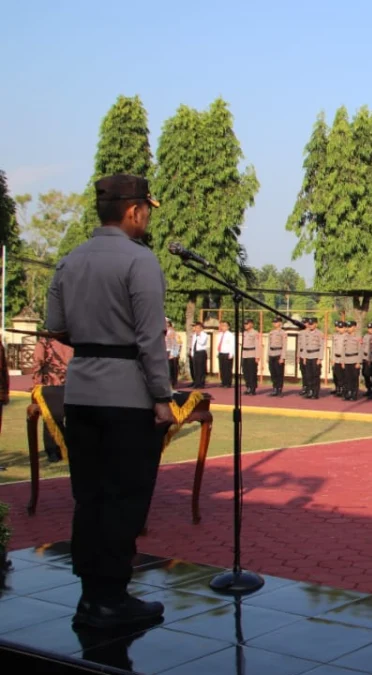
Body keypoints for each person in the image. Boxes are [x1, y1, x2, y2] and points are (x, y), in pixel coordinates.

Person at [45, 173, 171, 627]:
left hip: (81, 390)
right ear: (135, 211)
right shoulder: (140, 261)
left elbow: (55, 325)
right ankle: (112, 597)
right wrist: (162, 396)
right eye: (146, 212)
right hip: (126, 393)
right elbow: (149, 340)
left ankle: (90, 595)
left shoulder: (69, 260)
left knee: (90, 496)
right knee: (125, 498)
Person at [32, 335, 74, 463]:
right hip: (60, 385)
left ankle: (55, 452)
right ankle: (56, 451)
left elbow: (37, 362)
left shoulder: (45, 341)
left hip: (58, 385)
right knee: (54, 419)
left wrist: (36, 384)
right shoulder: (72, 339)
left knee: (52, 420)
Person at [266, 317, 286, 396]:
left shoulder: (283, 333)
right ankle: (274, 388)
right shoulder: (271, 333)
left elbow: (284, 345)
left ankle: (279, 389)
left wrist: (282, 357)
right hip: (272, 354)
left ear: (280, 323)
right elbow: (269, 345)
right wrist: (267, 356)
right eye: (274, 322)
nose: (274, 323)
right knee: (273, 372)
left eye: (276, 322)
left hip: (279, 354)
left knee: (279, 373)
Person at [342, 321, 362, 401]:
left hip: (354, 360)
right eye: (347, 327)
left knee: (354, 378)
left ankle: (354, 394)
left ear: (354, 327)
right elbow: (343, 350)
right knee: (347, 378)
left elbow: (360, 350)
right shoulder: (345, 337)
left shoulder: (358, 338)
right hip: (347, 360)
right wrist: (343, 361)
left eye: (350, 327)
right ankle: (348, 393)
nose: (348, 329)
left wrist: (358, 362)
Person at [241, 318, 261, 395]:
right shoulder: (244, 333)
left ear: (251, 324)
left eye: (247, 324)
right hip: (245, 354)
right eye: (245, 324)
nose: (245, 325)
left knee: (252, 372)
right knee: (245, 372)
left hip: (252, 354)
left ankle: (253, 389)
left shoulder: (255, 333)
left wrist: (257, 356)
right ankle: (248, 387)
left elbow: (257, 345)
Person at [188, 321, 209, 388]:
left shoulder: (204, 335)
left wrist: (198, 335)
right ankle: (196, 383)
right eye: (195, 327)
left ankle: (201, 383)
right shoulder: (195, 335)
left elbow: (201, 342)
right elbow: (193, 344)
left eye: (197, 328)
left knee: (201, 369)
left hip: (201, 353)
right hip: (195, 353)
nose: (196, 329)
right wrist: (192, 353)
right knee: (195, 369)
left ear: (201, 328)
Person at [215, 320, 234, 388]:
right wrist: (218, 352)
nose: (223, 327)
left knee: (227, 369)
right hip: (221, 353)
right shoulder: (219, 335)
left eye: (225, 326)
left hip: (227, 353)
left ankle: (228, 383)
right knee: (222, 368)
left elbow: (232, 345)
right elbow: (218, 344)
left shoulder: (230, 335)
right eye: (222, 325)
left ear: (228, 327)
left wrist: (231, 354)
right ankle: (223, 382)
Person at [330, 321, 346, 398]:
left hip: (344, 359)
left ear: (345, 328)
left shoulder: (347, 336)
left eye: (341, 327)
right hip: (336, 358)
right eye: (339, 327)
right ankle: (339, 388)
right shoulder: (336, 336)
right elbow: (333, 348)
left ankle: (343, 389)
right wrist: (332, 358)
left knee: (343, 375)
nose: (340, 329)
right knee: (337, 374)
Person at [165, 319, 180, 387]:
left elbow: (175, 343)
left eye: (166, 323)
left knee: (170, 368)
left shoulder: (171, 331)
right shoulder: (164, 331)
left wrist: (173, 353)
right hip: (164, 351)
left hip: (170, 351)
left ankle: (172, 382)